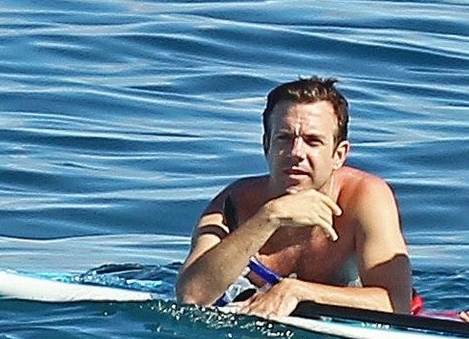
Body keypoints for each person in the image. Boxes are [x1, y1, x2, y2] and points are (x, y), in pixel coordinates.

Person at [176, 76, 414, 319]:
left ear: (339, 155)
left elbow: (396, 304)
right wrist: (268, 217)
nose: (296, 152)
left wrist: (298, 291)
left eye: (313, 141)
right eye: (284, 138)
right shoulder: (233, 204)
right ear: (266, 145)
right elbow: (191, 296)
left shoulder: (364, 198)